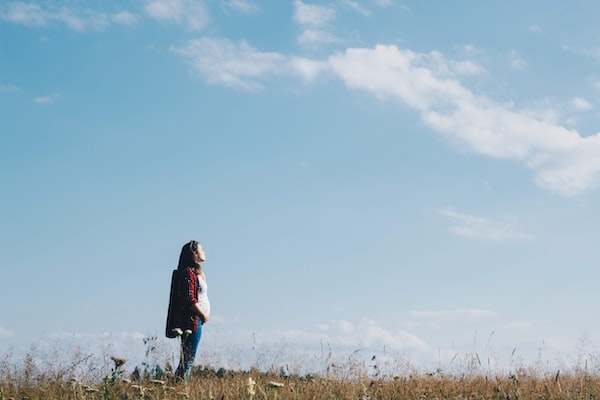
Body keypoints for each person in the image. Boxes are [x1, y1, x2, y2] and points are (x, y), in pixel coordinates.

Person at [166, 240, 210, 382]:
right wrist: (203, 314)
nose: (204, 252)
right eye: (201, 249)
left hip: (196, 321)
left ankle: (175, 388)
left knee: (187, 360)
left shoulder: (196, 273)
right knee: (187, 361)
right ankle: (176, 388)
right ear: (194, 254)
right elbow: (189, 299)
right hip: (191, 321)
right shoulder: (188, 272)